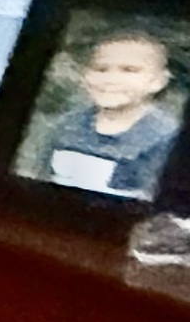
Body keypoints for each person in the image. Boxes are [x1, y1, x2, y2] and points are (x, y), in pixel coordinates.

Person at [45, 29, 182, 199]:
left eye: (129, 70)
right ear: (85, 76)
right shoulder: (68, 124)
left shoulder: (165, 138)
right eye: (101, 69)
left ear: (157, 81)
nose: (111, 79)